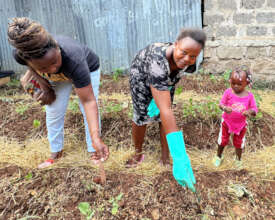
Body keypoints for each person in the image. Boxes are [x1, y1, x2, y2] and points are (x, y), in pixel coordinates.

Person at [7, 17, 109, 168]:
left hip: (87, 68)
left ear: (58, 48)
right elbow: (31, 68)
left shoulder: (74, 59)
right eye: (44, 68)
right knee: (53, 109)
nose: (52, 69)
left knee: (85, 107)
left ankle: (93, 149)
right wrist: (45, 86)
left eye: (54, 61)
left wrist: (96, 137)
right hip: (58, 76)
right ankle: (56, 153)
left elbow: (89, 102)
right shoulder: (21, 55)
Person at [127, 28, 207, 192]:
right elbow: (166, 110)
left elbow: (173, 78)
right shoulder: (157, 60)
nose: (187, 59)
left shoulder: (189, 61)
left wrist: (162, 96)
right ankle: (137, 154)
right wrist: (181, 156)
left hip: (166, 79)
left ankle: (165, 157)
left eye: (193, 56)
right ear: (175, 44)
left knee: (164, 113)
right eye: (183, 52)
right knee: (143, 116)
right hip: (141, 76)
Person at [213, 65, 258, 169]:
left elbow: (255, 109)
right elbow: (221, 104)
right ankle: (218, 156)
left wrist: (249, 111)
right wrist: (225, 108)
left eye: (239, 84)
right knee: (223, 140)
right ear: (229, 81)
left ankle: (238, 160)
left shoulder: (249, 96)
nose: (236, 86)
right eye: (233, 83)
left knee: (239, 143)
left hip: (241, 124)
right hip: (227, 122)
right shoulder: (228, 92)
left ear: (246, 83)